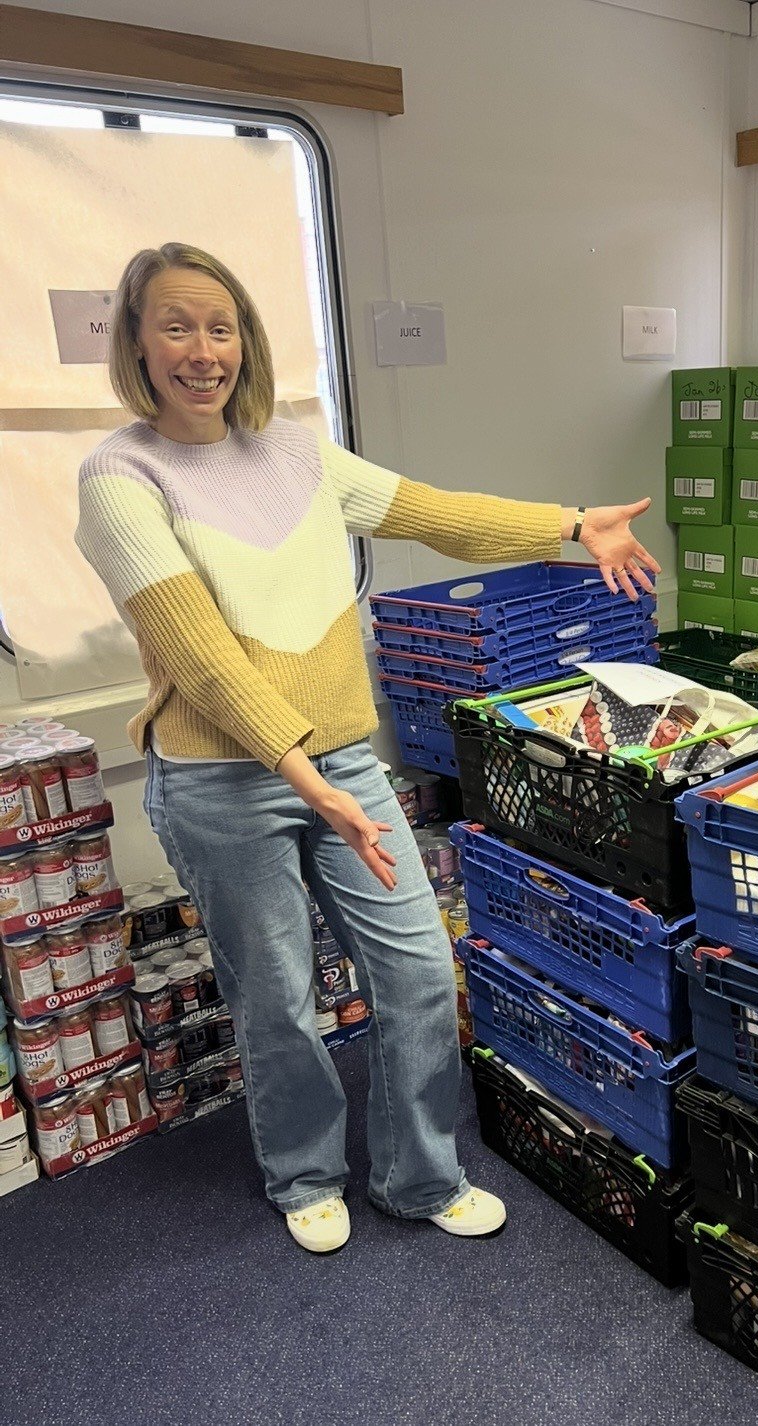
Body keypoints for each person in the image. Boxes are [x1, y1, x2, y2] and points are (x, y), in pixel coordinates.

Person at [76, 243, 660, 1254]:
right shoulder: (119, 475)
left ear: (246, 341)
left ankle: (416, 1174)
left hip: (341, 764)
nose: (202, 349)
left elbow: (440, 513)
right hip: (222, 782)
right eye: (175, 325)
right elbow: (205, 662)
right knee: (279, 1002)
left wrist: (572, 522)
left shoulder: (295, 451)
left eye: (221, 327)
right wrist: (306, 778)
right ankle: (303, 1171)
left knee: (423, 970)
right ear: (136, 340)